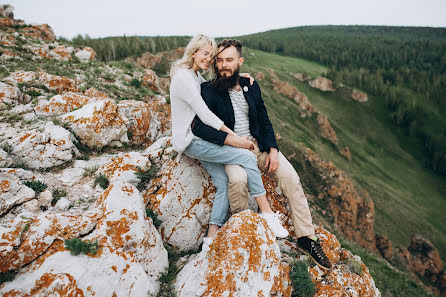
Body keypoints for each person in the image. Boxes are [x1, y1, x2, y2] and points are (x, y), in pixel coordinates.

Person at [191, 39, 332, 269]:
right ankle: (247, 232)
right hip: (232, 150)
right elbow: (199, 126)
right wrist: (232, 140)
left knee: (291, 179)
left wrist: (273, 150)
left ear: (240, 61)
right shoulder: (208, 90)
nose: (224, 65)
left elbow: (264, 119)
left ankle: (306, 238)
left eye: (229, 60)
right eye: (219, 60)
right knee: (237, 181)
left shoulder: (250, 84)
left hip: (259, 146)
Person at [169, 35, 288, 252]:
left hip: (197, 140)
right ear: (193, 52)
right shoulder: (184, 78)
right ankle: (268, 214)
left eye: (211, 56)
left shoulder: (194, 76)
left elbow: (209, 85)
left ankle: (210, 239)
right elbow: (205, 116)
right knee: (245, 156)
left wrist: (238, 78)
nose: (208, 60)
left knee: (222, 182)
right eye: (205, 54)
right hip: (191, 142)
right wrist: (234, 138)